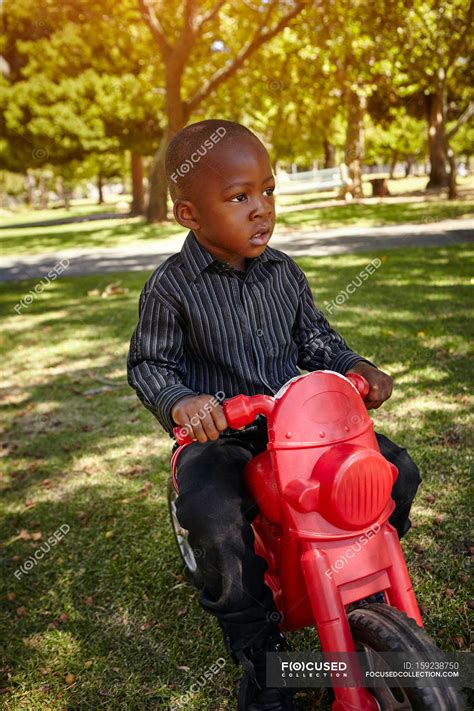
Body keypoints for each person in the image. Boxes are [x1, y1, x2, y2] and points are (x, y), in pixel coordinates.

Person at [127, 119, 422, 711]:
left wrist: (357, 365)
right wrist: (184, 403)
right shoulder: (170, 288)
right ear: (189, 214)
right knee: (215, 519)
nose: (261, 210)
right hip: (225, 433)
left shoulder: (284, 273)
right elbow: (149, 365)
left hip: (302, 428)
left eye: (268, 191)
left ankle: (357, 586)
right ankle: (260, 653)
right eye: (239, 198)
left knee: (395, 470)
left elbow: (318, 340)